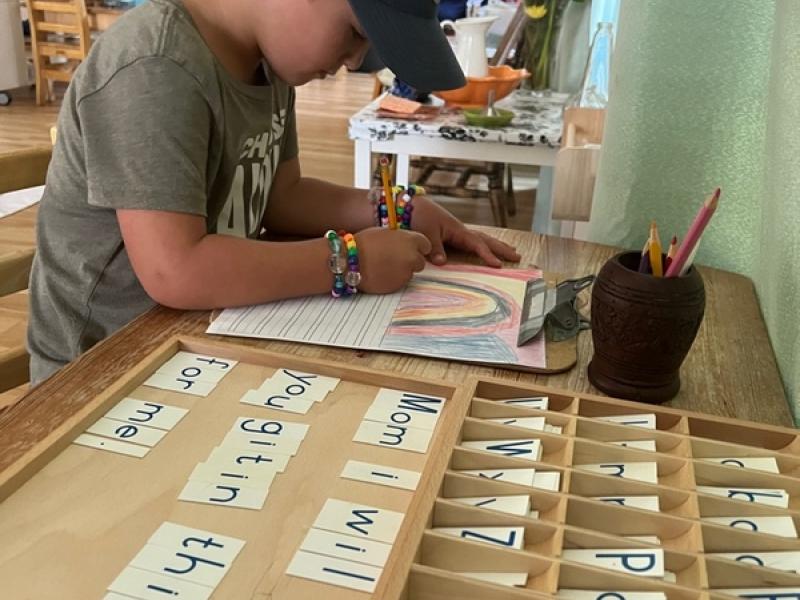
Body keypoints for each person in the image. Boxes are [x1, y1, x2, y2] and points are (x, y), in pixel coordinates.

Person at [27, 0, 521, 384]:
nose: (354, 62)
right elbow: (173, 271)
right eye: (355, 33)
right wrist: (353, 263)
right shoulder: (155, 64)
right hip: (102, 368)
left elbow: (284, 197)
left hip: (204, 335)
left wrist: (397, 210)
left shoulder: (268, 64)